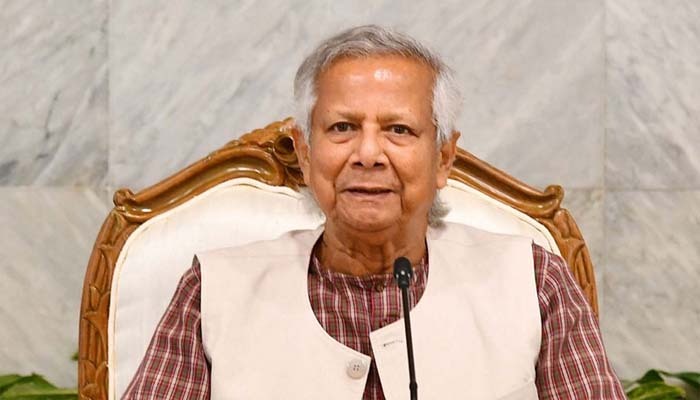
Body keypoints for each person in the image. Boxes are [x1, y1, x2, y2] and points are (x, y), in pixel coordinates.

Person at [123, 25, 625, 399]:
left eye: (398, 130)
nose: (367, 154)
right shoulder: (212, 289)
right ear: (304, 152)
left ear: (444, 158)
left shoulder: (533, 280)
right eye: (342, 127)